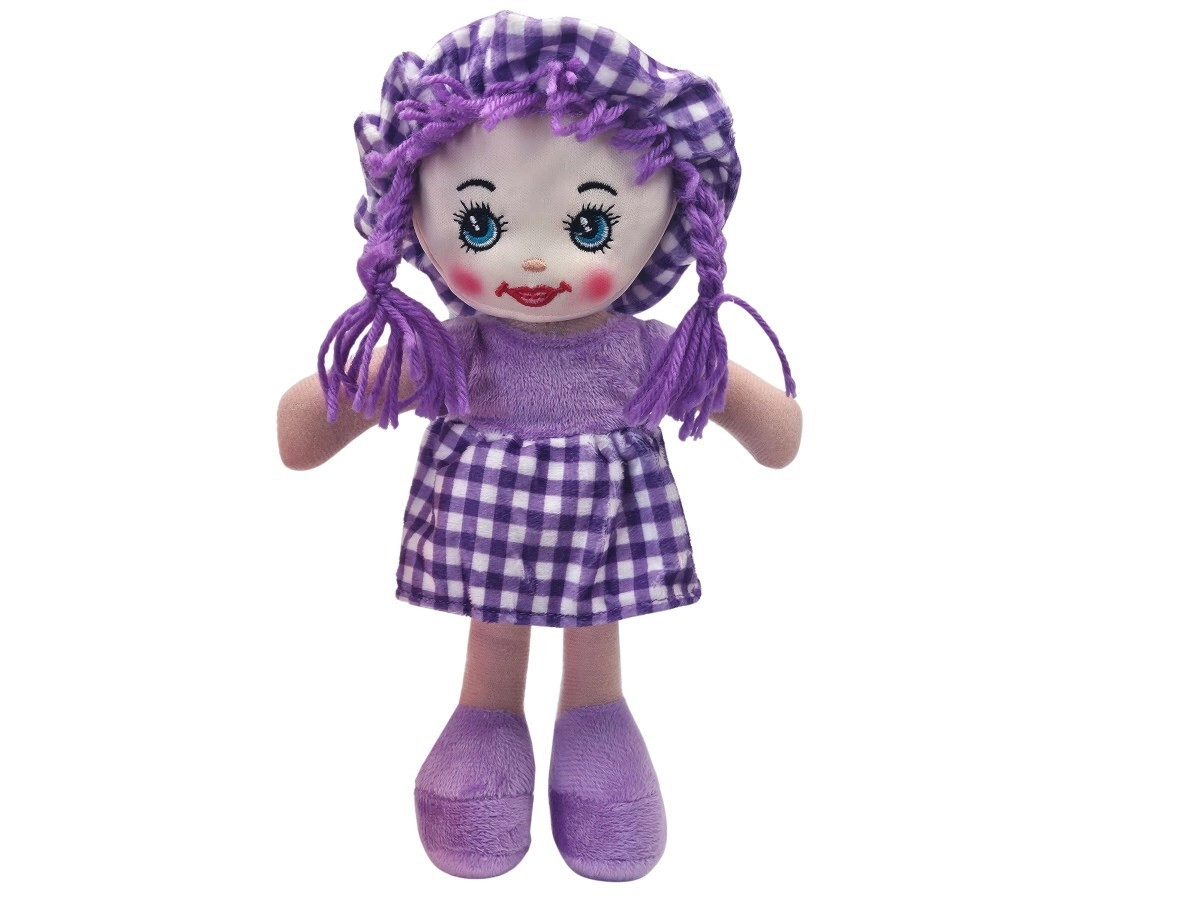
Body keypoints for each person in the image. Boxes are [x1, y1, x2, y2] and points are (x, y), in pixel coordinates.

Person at [277, 11, 801, 882]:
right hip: (494, 541)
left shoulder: (639, 350)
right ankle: (487, 724)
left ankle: (595, 725)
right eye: (480, 225)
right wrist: (332, 405)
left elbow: (772, 430)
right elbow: (305, 433)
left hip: (600, 537)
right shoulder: (453, 349)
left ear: (668, 220)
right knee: (496, 636)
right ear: (414, 217)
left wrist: (768, 422)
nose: (532, 263)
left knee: (593, 635)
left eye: (589, 227)